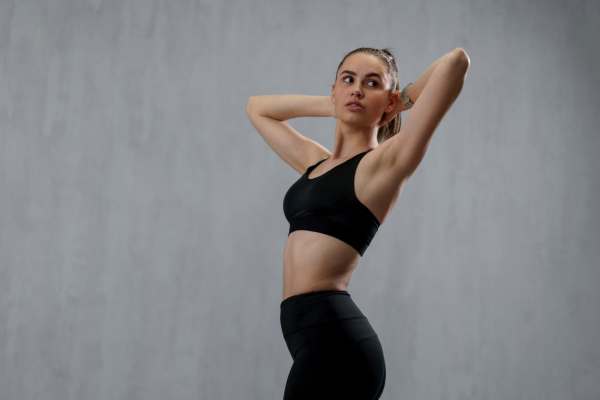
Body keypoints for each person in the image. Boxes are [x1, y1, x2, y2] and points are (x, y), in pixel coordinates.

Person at [246, 47, 469, 399]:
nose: (357, 90)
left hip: (335, 341)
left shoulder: (385, 163)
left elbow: (456, 62)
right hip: (309, 337)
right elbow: (257, 108)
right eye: (348, 80)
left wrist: (402, 100)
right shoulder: (315, 164)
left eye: (372, 83)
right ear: (333, 89)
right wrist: (334, 103)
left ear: (389, 100)